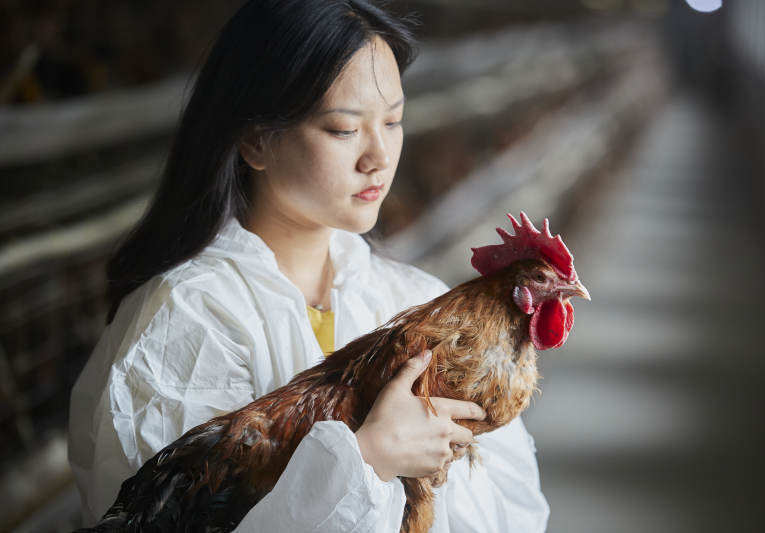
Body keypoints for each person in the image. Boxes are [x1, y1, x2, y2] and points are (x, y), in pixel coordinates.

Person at [68, 1, 550, 531]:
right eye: (344, 129)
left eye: (393, 121)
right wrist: (368, 460)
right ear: (256, 140)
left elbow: (513, 507)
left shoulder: (407, 297)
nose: (379, 156)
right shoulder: (186, 320)